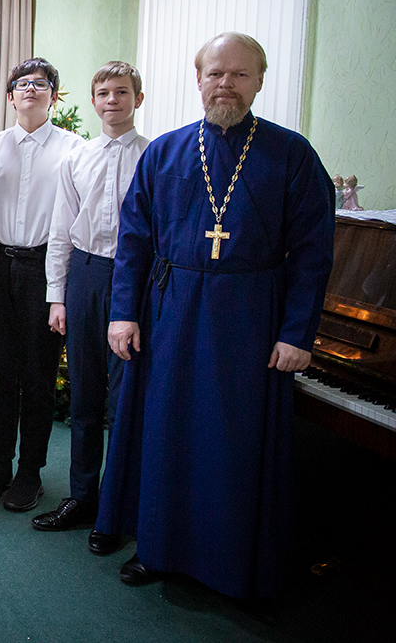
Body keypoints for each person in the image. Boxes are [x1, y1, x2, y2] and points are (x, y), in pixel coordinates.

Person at [96, 33, 334, 600]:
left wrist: (297, 333)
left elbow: (313, 253)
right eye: (216, 73)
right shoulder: (165, 152)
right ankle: (159, 549)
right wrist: (123, 313)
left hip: (250, 320)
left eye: (240, 74)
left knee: (231, 443)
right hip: (171, 314)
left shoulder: (292, 154)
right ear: (198, 79)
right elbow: (134, 241)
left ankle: (233, 568)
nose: (226, 84)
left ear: (259, 81)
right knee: (167, 434)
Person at [30, 62, 148, 551]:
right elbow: (61, 229)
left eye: (122, 92)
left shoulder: (154, 157)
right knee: (84, 396)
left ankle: (117, 508)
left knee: (123, 401)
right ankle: (82, 497)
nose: (112, 100)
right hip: (85, 275)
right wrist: (57, 296)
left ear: (138, 99)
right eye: (103, 93)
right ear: (94, 101)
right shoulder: (76, 158)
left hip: (133, 279)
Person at [0, 58, 83, 512]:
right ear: (10, 96)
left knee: (39, 377)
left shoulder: (74, 149)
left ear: (53, 96)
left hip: (45, 268)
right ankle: (0, 463)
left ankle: (30, 472)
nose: (31, 90)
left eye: (41, 84)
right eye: (22, 84)